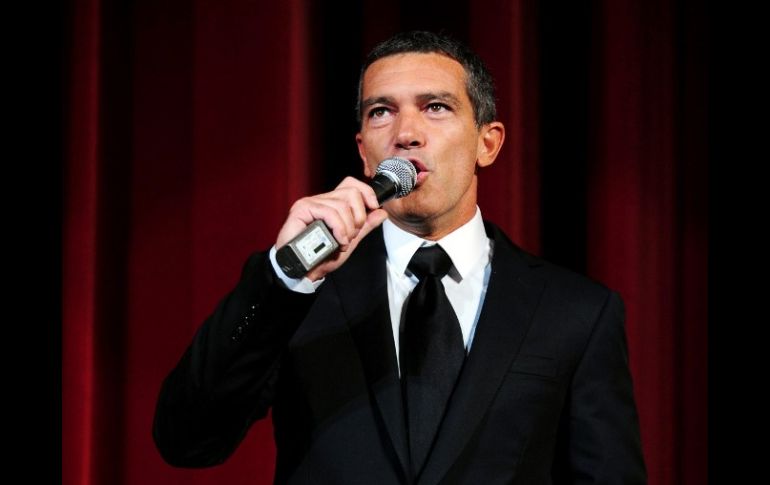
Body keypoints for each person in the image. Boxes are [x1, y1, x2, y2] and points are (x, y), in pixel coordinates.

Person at [153, 30, 646, 484]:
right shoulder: (301, 291)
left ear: (487, 143)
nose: (405, 133)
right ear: (365, 152)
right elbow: (187, 440)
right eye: (380, 112)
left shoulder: (575, 311)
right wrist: (285, 278)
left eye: (435, 107)